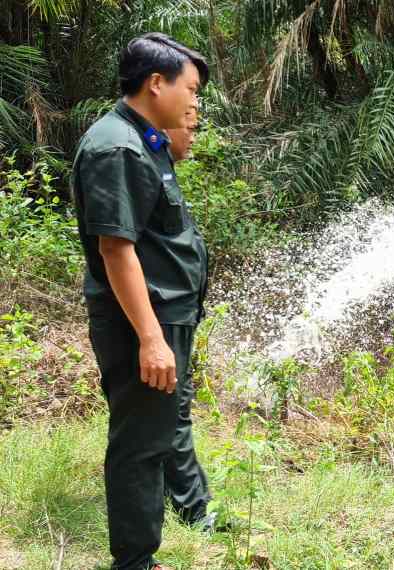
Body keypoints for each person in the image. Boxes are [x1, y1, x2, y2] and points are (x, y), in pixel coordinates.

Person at [71, 32, 212, 570]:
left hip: (162, 314)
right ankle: (135, 561)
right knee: (141, 442)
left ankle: (189, 514)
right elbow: (116, 249)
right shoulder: (117, 147)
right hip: (141, 322)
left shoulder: (143, 139)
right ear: (157, 84)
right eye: (191, 89)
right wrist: (151, 338)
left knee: (161, 427)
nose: (194, 103)